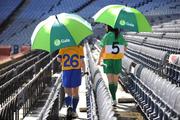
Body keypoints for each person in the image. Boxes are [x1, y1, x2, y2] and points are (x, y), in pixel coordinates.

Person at [97, 25, 128, 106]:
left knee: (110, 81)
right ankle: (114, 98)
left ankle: (113, 98)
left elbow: (103, 50)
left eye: (106, 26)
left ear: (109, 27)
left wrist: (99, 60)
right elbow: (125, 49)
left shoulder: (106, 36)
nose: (105, 28)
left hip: (107, 60)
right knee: (115, 81)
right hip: (117, 60)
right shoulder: (120, 36)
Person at [57, 45, 85, 118]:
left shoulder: (63, 47)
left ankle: (69, 106)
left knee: (67, 92)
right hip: (76, 71)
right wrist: (85, 71)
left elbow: (59, 59)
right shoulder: (79, 47)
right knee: (75, 92)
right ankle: (74, 110)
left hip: (66, 71)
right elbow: (82, 61)